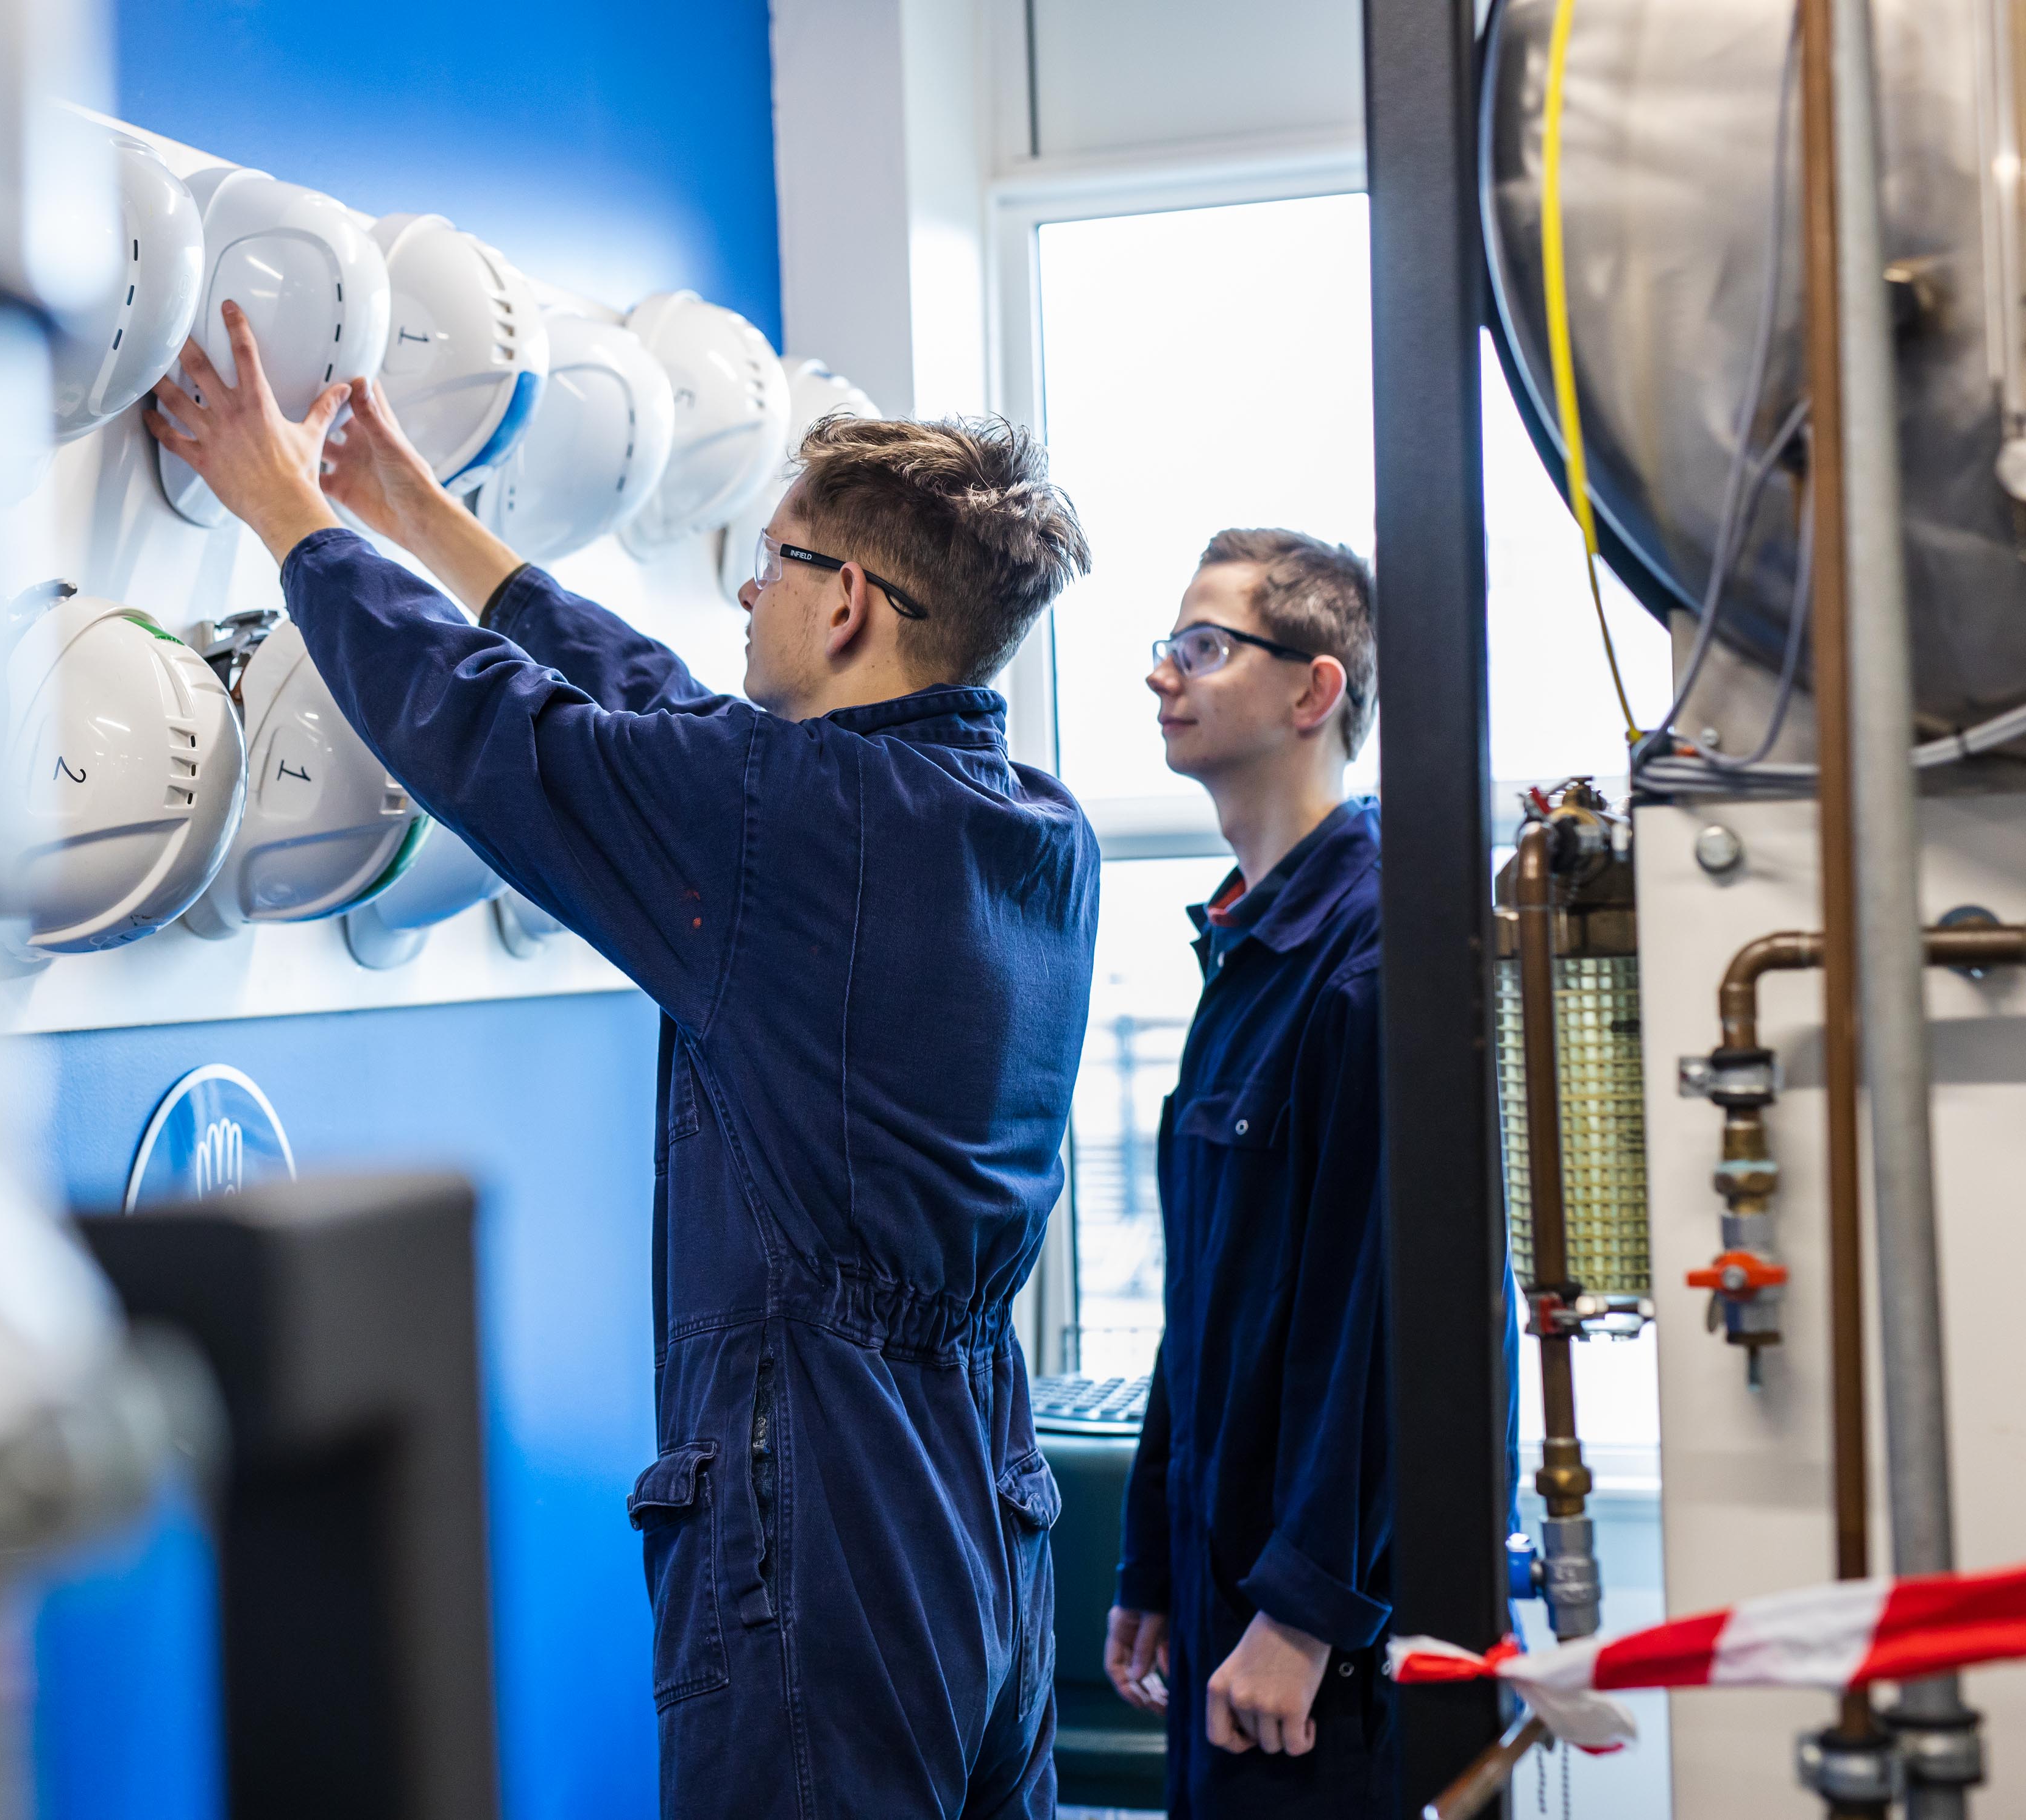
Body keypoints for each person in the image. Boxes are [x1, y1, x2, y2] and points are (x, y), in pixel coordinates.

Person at [149, 306, 1096, 1818]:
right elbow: (670, 715)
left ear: (844, 601)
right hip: (986, 1499)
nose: (742, 583)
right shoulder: (1030, 831)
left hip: (826, 1508)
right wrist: (428, 523)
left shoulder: (779, 828)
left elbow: (491, 731)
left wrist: (288, 511)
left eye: (774, 557)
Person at [1101, 528, 1395, 1816]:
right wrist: (1151, 1567)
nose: (1165, 676)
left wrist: (1305, 1612)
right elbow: (1204, 1302)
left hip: (1320, 1649)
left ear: (1311, 692)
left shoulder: (1371, 955)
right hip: (1227, 1598)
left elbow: (1387, 1320)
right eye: (1168, 647)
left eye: (1204, 647)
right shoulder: (1246, 951)